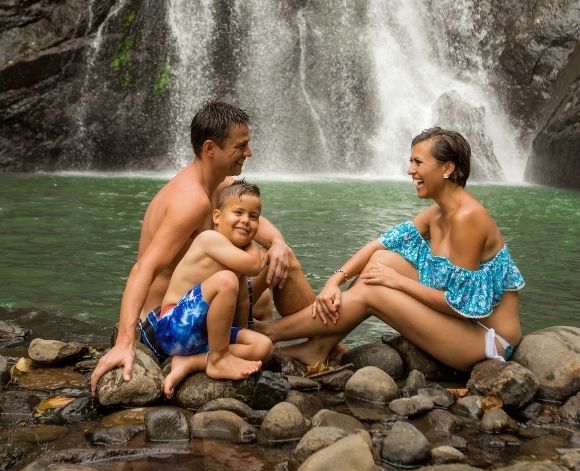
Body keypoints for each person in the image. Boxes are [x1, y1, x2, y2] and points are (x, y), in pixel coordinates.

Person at [253, 127, 525, 371]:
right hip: (461, 325)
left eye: (418, 162)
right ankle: (318, 348)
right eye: (411, 161)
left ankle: (268, 332)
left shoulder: (468, 218)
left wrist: (397, 283)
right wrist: (334, 280)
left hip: (486, 340)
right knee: (381, 260)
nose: (410, 170)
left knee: (375, 289)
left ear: (447, 168)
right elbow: (379, 245)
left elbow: (462, 305)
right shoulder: (437, 214)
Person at [91, 102, 314, 395]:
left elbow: (260, 226)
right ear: (211, 149)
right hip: (170, 324)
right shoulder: (191, 201)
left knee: (279, 261)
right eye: (241, 146)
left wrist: (279, 244)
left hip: (203, 306)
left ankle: (310, 345)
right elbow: (143, 268)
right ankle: (316, 346)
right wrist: (124, 341)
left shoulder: (221, 186)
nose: (249, 153)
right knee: (252, 276)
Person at [143, 180, 273, 398]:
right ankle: (219, 359)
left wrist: (241, 336)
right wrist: (252, 243)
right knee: (225, 280)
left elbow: (241, 304)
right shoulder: (209, 239)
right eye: (238, 212)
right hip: (174, 327)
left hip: (204, 335)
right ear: (216, 217)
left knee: (263, 346)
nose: (246, 221)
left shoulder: (234, 257)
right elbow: (254, 265)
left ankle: (193, 362)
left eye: (253, 217)